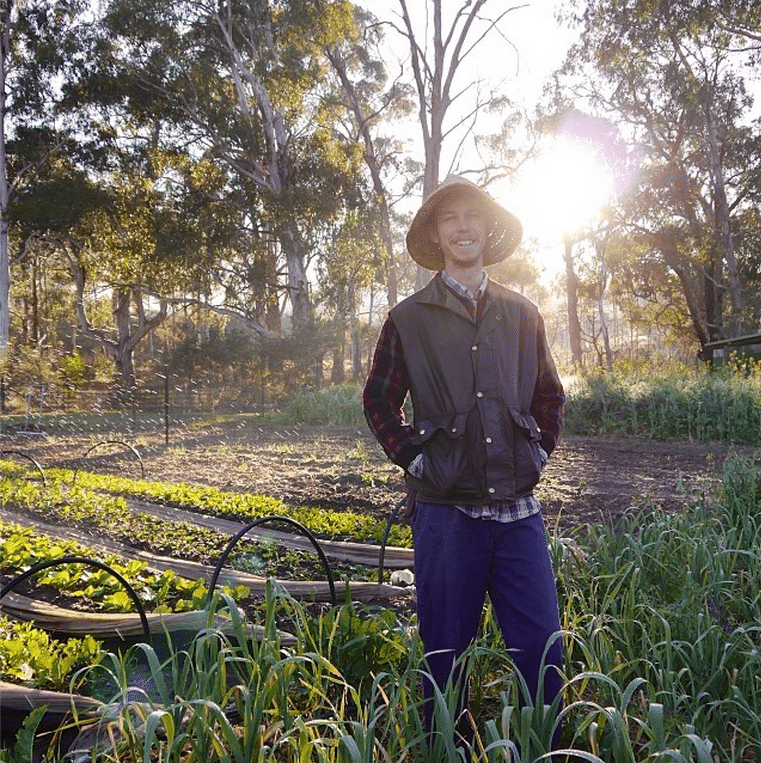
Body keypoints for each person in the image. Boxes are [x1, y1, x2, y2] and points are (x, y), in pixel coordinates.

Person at [362, 174, 565, 748]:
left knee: (543, 649)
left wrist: (538, 453)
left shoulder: (523, 313)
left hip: (518, 512)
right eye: (450, 218)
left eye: (473, 215)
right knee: (444, 656)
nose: (463, 226)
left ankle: (545, 748)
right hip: (446, 516)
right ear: (437, 233)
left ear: (488, 228)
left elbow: (550, 396)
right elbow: (378, 398)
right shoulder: (408, 319)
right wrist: (413, 460)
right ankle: (443, 748)